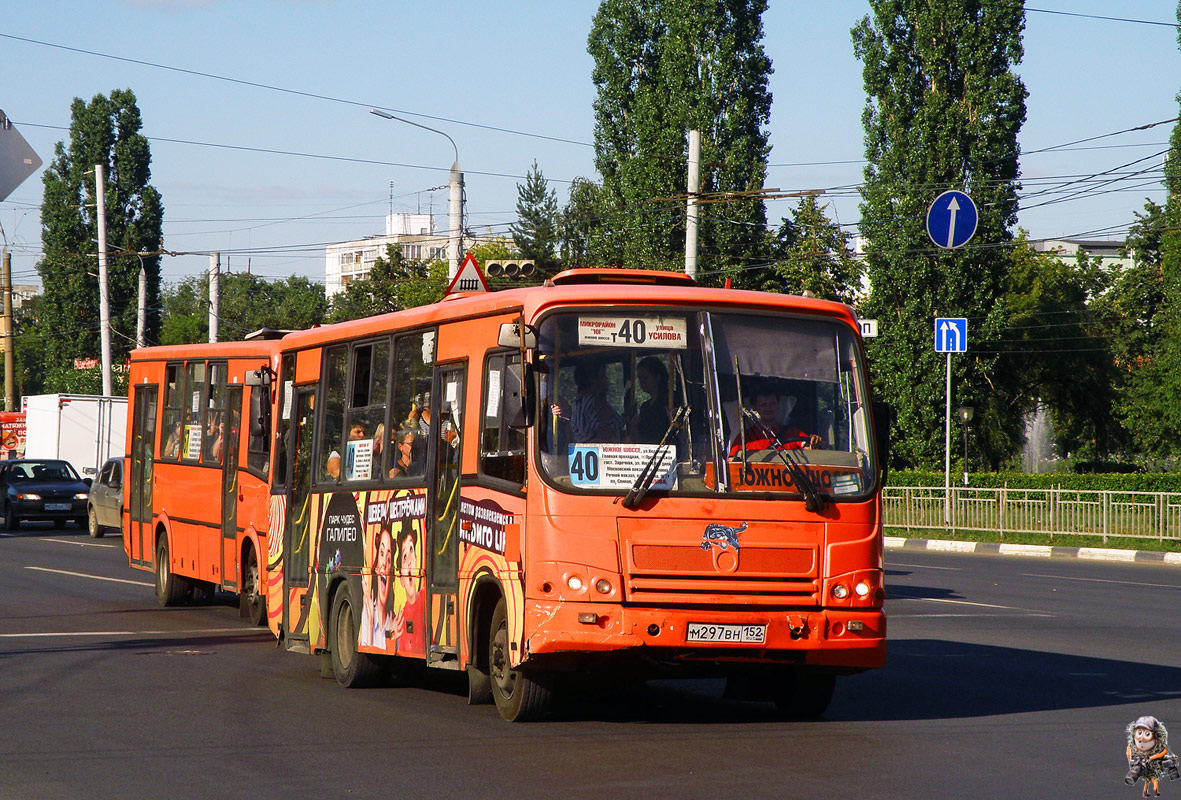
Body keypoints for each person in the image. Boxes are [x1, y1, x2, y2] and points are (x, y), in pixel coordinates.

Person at [729, 390, 822, 458]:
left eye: (772, 404)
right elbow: (732, 463)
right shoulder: (745, 438)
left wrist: (816, 442)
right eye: (764, 405)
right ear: (754, 409)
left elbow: (811, 449)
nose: (769, 408)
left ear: (778, 406)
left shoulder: (793, 433)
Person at [389, 523, 424, 655]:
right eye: (404, 557)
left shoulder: (427, 597)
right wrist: (391, 637)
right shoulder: (399, 621)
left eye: (411, 550)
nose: (409, 560)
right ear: (401, 579)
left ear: (416, 559)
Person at [359, 522, 394, 648]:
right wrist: (371, 622)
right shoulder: (368, 611)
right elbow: (365, 648)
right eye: (382, 553)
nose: (384, 563)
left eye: (389, 559)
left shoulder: (393, 621)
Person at [571, 361, 625, 443]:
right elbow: (605, 435)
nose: (607, 379)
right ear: (593, 379)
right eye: (603, 375)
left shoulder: (577, 403)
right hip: (600, 453)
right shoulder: (596, 402)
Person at [631, 357, 670, 444]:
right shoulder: (645, 407)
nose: (642, 382)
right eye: (639, 379)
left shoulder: (670, 400)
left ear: (657, 377)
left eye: (645, 378)